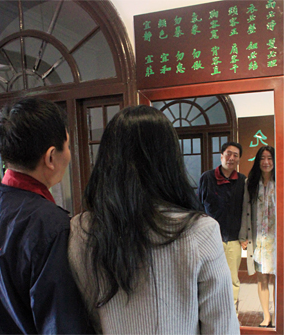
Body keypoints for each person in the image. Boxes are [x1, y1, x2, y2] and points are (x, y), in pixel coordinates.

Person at [68, 105, 239, 334]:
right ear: (170, 160)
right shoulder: (201, 231)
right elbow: (221, 327)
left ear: (107, 159)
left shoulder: (82, 228)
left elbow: (82, 319)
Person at [0, 98, 94, 334]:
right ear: (51, 157)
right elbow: (59, 322)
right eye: (68, 146)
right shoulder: (51, 226)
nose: (69, 155)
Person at [198, 141, 246, 312]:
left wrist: (244, 235)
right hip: (210, 239)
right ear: (221, 155)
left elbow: (245, 210)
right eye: (228, 153)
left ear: (239, 160)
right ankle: (211, 312)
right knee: (210, 277)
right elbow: (199, 207)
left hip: (232, 238)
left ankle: (232, 314)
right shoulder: (207, 177)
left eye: (235, 155)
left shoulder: (242, 181)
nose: (231, 158)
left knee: (232, 279)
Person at [239, 146, 276, 327]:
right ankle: (266, 316)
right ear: (258, 161)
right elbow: (245, 210)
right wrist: (244, 235)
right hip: (259, 239)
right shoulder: (250, 182)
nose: (266, 162)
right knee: (262, 279)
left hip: (278, 239)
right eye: (262, 158)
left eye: (270, 158)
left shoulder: (283, 180)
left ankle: (279, 313)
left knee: (279, 279)